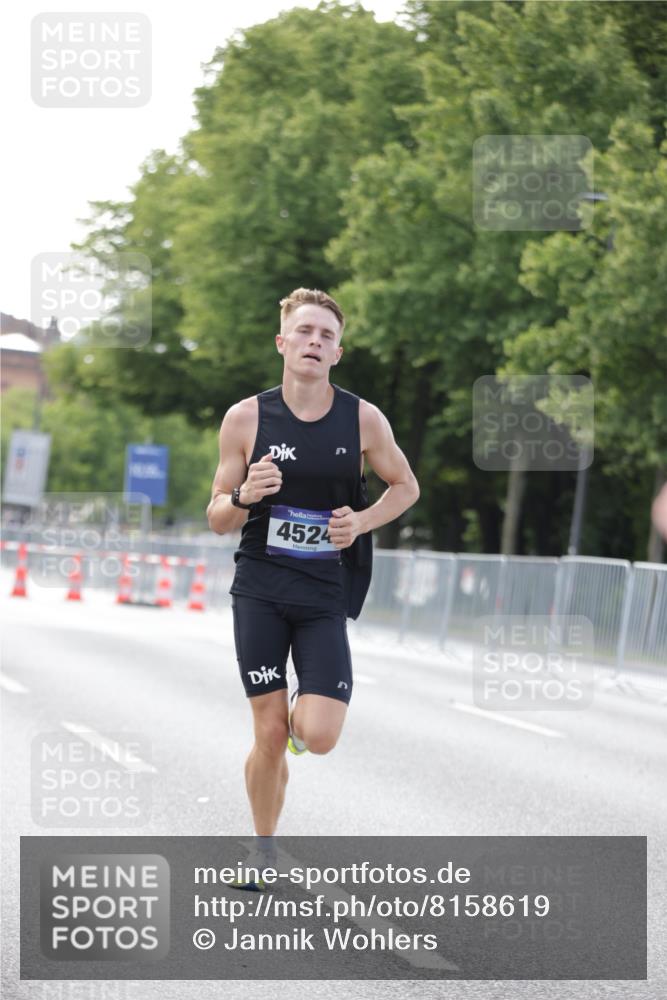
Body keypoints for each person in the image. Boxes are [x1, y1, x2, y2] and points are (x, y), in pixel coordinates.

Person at [207, 288, 419, 888]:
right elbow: (218, 516)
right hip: (260, 589)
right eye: (304, 331)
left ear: (338, 353)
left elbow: (406, 486)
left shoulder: (362, 419)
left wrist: (362, 522)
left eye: (327, 335)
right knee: (269, 731)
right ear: (283, 342)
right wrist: (245, 494)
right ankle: (262, 851)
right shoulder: (246, 418)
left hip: (324, 589)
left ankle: (301, 722)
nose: (314, 342)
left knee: (317, 736)